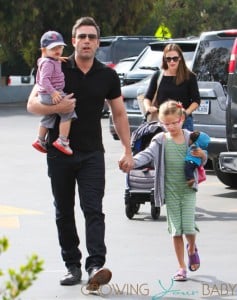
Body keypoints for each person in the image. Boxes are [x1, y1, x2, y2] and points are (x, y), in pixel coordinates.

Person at [27, 17, 133, 290]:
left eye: (92, 37)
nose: (86, 41)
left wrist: (127, 150)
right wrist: (57, 109)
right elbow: (32, 105)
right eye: (81, 36)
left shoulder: (107, 75)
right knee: (63, 211)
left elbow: (119, 113)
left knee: (93, 210)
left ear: (98, 43)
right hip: (59, 152)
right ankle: (72, 266)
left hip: (92, 154)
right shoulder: (56, 65)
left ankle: (95, 265)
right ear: (72, 41)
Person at [132, 100, 207, 281]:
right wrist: (132, 162)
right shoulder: (160, 140)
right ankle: (181, 267)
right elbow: (148, 154)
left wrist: (202, 155)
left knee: (188, 227)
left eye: (174, 122)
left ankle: (192, 248)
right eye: (167, 124)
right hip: (170, 190)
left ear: (181, 119)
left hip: (188, 189)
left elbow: (202, 161)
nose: (171, 127)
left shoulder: (190, 137)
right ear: (161, 123)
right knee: (176, 230)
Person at [32, 30, 77, 155]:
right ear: (44, 50)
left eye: (60, 47)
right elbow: (44, 80)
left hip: (45, 95)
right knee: (68, 110)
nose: (57, 50)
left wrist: (57, 58)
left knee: (49, 115)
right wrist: (53, 93)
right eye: (53, 48)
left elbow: (49, 63)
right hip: (50, 93)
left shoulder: (49, 60)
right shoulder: (48, 63)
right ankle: (62, 140)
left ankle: (40, 140)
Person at [143, 43, 201, 130]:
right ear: (164, 59)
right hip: (163, 122)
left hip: (183, 121)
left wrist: (186, 112)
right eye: (168, 59)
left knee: (182, 144)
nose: (172, 61)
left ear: (180, 58)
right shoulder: (158, 75)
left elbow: (196, 100)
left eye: (175, 58)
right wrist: (148, 107)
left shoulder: (189, 76)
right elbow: (147, 97)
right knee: (161, 143)